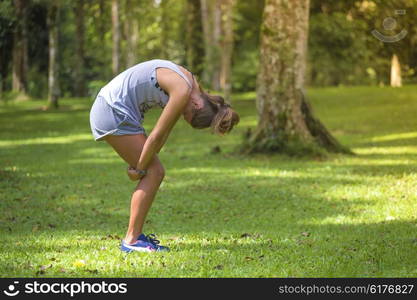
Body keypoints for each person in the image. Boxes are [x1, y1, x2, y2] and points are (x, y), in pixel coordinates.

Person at [89, 59, 240, 253]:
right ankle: (132, 241)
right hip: (113, 109)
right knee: (154, 172)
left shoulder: (189, 82)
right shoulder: (182, 90)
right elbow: (156, 136)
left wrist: (142, 160)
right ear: (196, 103)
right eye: (186, 114)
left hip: (113, 107)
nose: (182, 115)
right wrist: (140, 168)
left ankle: (135, 237)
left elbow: (163, 135)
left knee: (154, 170)